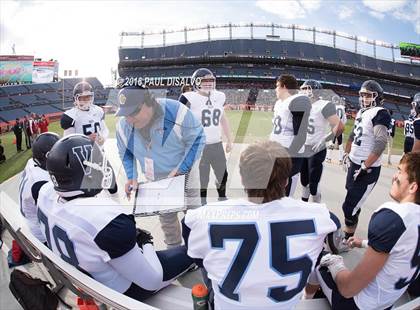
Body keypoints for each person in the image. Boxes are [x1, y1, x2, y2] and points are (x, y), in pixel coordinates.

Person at [183, 141, 342, 309]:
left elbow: (198, 259)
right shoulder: (322, 217)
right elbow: (332, 239)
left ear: (243, 179)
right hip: (284, 303)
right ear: (286, 181)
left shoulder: (202, 217)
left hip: (228, 303)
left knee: (207, 258)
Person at [37, 134, 194, 301]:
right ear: (85, 174)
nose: (102, 165)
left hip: (90, 276)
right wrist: (146, 241)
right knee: (192, 251)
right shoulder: (106, 221)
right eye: (97, 162)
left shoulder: (44, 193)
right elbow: (152, 280)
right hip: (124, 290)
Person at [315, 152, 420, 310]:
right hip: (387, 303)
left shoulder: (394, 217)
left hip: (358, 305)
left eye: (399, 171)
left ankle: (306, 298)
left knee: (319, 258)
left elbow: (348, 289)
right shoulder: (411, 219)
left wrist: (337, 265)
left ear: (413, 187)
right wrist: (363, 243)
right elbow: (403, 245)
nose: (394, 176)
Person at [115, 85, 205, 247]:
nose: (129, 119)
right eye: (125, 113)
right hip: (156, 179)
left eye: (134, 112)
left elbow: (197, 139)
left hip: (185, 172)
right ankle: (174, 250)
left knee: (193, 216)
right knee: (167, 219)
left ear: (149, 102)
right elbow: (126, 153)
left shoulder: (176, 111)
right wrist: (132, 176)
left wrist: (181, 169)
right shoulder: (123, 126)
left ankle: (197, 249)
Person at [341, 80, 391, 239]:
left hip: (367, 169)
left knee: (349, 207)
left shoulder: (380, 112)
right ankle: (349, 232)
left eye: (368, 95)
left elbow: (381, 141)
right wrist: (346, 153)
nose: (364, 99)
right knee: (352, 201)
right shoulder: (362, 112)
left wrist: (365, 166)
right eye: (362, 95)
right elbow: (353, 135)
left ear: (377, 97)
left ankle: (347, 239)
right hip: (354, 163)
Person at [179, 68, 233, 205]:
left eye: (211, 80)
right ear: (196, 82)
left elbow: (223, 118)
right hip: (199, 146)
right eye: (205, 80)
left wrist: (229, 139)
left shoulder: (219, 96)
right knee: (202, 178)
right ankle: (202, 203)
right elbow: (177, 121)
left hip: (216, 143)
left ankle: (222, 197)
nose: (209, 83)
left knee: (223, 174)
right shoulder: (188, 98)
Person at [299, 80, 344, 202]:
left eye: (306, 88)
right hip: (304, 148)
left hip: (316, 149)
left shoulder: (323, 105)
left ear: (315, 90)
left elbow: (339, 126)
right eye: (302, 89)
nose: (304, 91)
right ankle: (303, 205)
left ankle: (317, 208)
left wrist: (325, 140)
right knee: (304, 182)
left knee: (313, 186)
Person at [269, 74, 311, 197]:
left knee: (284, 197)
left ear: (284, 87)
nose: (275, 89)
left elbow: (301, 135)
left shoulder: (298, 100)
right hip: (277, 152)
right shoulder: (279, 103)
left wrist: (288, 165)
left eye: (277, 86)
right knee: (273, 193)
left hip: (289, 154)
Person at [19, 132, 60, 242]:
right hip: (39, 229)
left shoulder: (32, 162)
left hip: (28, 213)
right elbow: (58, 212)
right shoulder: (42, 182)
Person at [60, 81, 109, 147]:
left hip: (99, 152)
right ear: (75, 98)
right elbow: (69, 142)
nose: (86, 100)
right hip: (81, 153)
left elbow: (104, 129)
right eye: (82, 97)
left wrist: (103, 137)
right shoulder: (70, 116)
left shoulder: (98, 110)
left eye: (88, 97)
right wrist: (86, 139)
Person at [326, 96, 347, 163]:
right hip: (340, 127)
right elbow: (345, 119)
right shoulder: (342, 108)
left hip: (334, 126)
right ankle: (341, 159)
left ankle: (328, 158)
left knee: (331, 142)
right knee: (340, 143)